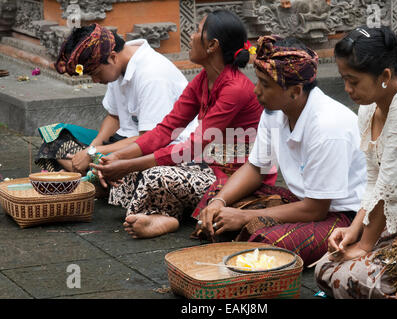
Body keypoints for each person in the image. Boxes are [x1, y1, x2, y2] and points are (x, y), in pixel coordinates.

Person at [90, 10, 276, 239]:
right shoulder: (202, 79)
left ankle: (166, 215)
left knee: (152, 175)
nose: (191, 35)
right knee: (134, 173)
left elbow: (192, 148)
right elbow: (166, 129)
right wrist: (121, 157)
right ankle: (167, 214)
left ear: (212, 45)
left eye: (198, 30)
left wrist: (129, 164)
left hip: (234, 176)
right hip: (208, 164)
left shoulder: (234, 89)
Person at [196, 35, 367, 267]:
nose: (256, 91)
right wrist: (219, 202)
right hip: (301, 202)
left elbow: (315, 209)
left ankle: (240, 237)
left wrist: (245, 217)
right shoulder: (274, 110)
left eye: (265, 85)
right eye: (258, 81)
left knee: (265, 244)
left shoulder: (328, 126)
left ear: (295, 91)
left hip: (343, 217)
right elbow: (256, 168)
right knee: (215, 194)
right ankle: (233, 231)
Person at [314, 26, 397, 299]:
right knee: (324, 268)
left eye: (353, 81)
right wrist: (353, 232)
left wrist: (364, 247)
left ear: (385, 76)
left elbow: (388, 185)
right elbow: (374, 179)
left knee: (346, 276)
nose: (347, 89)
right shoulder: (369, 105)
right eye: (344, 79)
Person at [35, 23, 196, 175]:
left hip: (156, 147)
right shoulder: (118, 65)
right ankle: (86, 173)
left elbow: (150, 140)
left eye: (96, 73)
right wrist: (93, 147)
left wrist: (93, 153)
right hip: (123, 141)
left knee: (123, 171)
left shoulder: (152, 75)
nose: (95, 81)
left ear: (112, 57)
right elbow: (114, 117)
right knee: (54, 138)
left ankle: (84, 175)